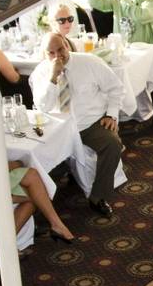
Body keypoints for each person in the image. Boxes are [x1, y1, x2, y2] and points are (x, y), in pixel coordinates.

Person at [0, 87, 75, 242]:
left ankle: (5, 245)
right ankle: (5, 244)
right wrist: (16, 163)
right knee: (36, 190)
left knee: (32, 182)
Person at [32, 32, 125, 218]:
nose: (58, 56)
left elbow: (116, 87)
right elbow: (43, 106)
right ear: (45, 54)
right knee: (40, 162)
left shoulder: (89, 62)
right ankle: (43, 212)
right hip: (59, 129)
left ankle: (98, 196)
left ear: (67, 45)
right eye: (51, 53)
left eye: (60, 49)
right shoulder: (40, 74)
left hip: (89, 124)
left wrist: (111, 115)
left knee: (113, 143)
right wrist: (52, 78)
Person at [87, 0, 153, 134]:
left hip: (146, 56)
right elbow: (95, 2)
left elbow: (139, 15)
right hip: (124, 53)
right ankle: (115, 119)